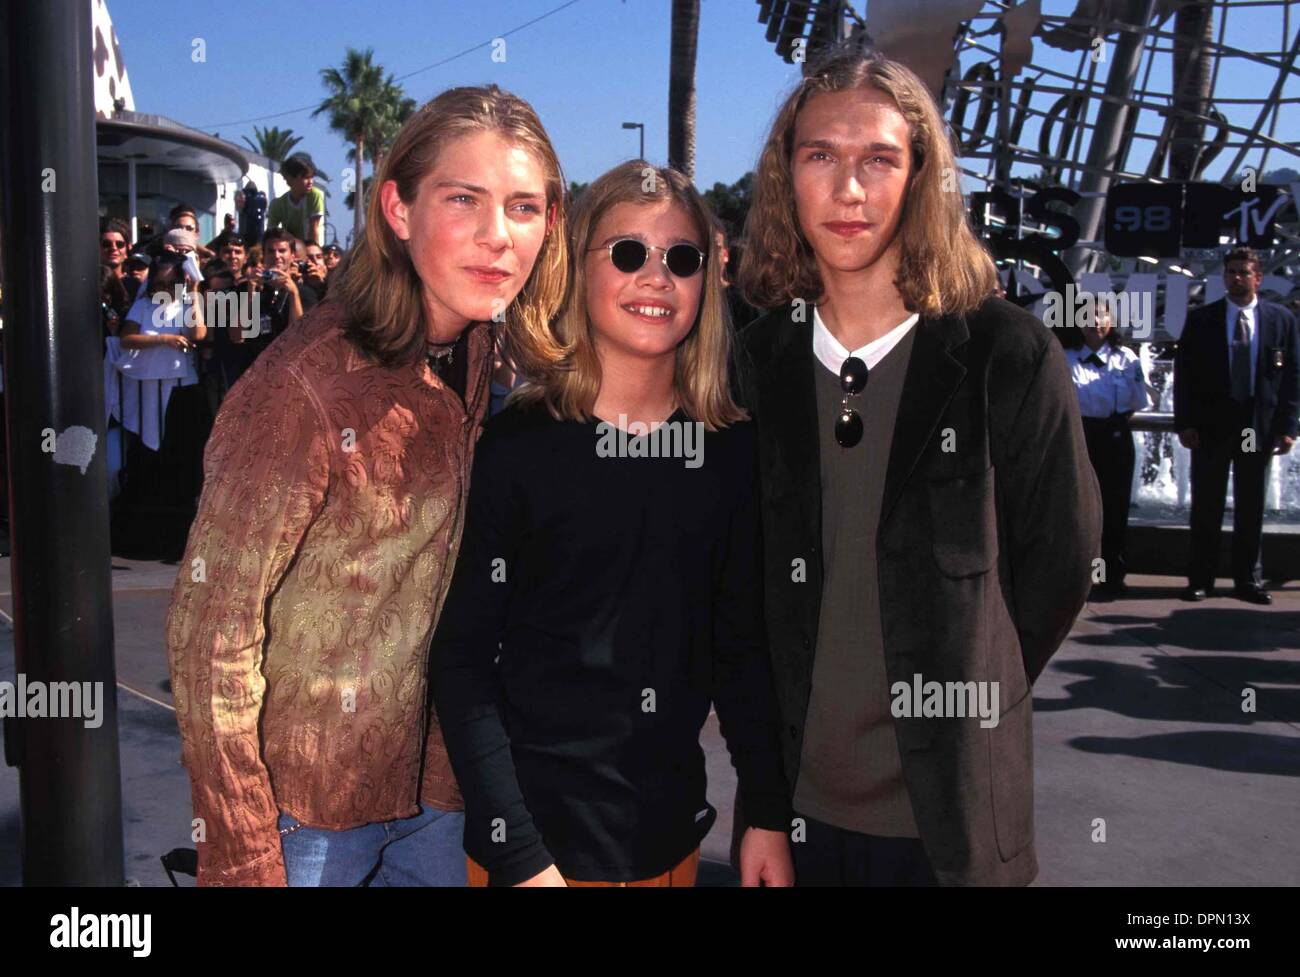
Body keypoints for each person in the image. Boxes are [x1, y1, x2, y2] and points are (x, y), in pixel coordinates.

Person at [165, 83, 569, 887]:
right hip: (303, 817)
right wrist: (243, 855)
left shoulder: (481, 344)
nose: (498, 237)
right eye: (465, 199)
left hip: (434, 786)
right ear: (398, 208)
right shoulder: (302, 387)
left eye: (524, 207)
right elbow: (210, 638)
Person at [731, 45, 1101, 886]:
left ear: (923, 176)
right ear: (786, 175)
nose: (849, 188)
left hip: (956, 827)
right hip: (795, 820)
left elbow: (1059, 569)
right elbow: (743, 606)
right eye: (820, 155)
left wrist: (969, 681)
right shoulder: (759, 362)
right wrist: (760, 804)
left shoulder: (1008, 354)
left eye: (879, 159)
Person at [431, 160, 793, 888]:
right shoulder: (519, 445)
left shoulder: (728, 450)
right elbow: (463, 662)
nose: (655, 277)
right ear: (578, 268)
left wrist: (768, 813)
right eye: (628, 252)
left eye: (681, 259)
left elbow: (741, 649)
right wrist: (519, 854)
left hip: (668, 846)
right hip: (533, 854)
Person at [1174, 247, 1300, 603]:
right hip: (1212, 428)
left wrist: (1288, 426)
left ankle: (1248, 580)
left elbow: (1292, 378)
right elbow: (1185, 376)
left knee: (1251, 505)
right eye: (1230, 272)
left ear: (1257, 278)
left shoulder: (1281, 320)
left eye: (1243, 272)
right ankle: (1200, 580)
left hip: (1255, 428)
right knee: (1206, 506)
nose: (1236, 278)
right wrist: (1184, 423)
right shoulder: (1202, 320)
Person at [109, 251, 211, 558]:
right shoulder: (143, 305)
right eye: (160, 282)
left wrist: (193, 293)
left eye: (172, 282)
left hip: (183, 389)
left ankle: (180, 538)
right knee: (150, 460)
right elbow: (127, 339)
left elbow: (199, 333)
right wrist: (163, 339)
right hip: (150, 388)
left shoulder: (188, 302)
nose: (165, 288)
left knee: (184, 460)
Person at [1067, 304, 1154, 598]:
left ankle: (1113, 575)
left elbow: (1136, 402)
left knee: (1114, 510)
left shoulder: (1126, 358)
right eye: (1087, 317)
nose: (1095, 323)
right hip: (1079, 438)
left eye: (1101, 317)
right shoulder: (1066, 358)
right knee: (1079, 509)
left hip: (1115, 438)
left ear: (1111, 322)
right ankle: (1078, 575)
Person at [267, 153, 326, 246]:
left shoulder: (315, 196)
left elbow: (313, 229)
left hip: (310, 248)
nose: (310, 182)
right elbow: (271, 234)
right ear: (290, 179)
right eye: (306, 177)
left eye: (312, 177)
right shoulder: (277, 204)